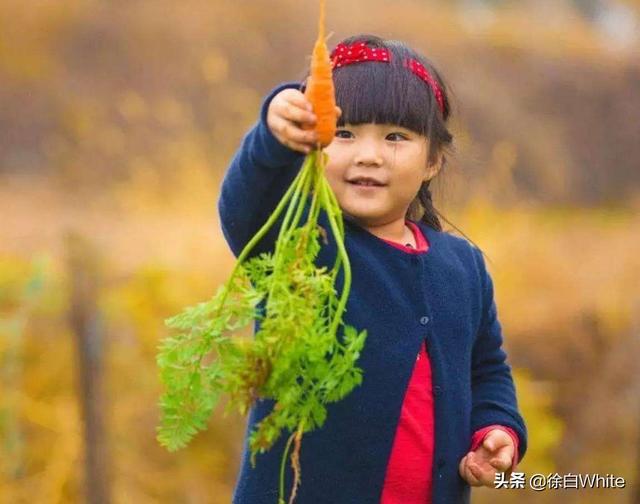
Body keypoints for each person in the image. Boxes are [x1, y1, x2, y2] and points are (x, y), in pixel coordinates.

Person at [219, 33, 527, 504]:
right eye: (344, 133)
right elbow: (247, 208)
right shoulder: (302, 242)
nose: (369, 154)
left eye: (396, 137)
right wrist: (274, 136)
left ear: (433, 161)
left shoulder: (463, 267)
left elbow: (486, 369)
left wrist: (496, 427)